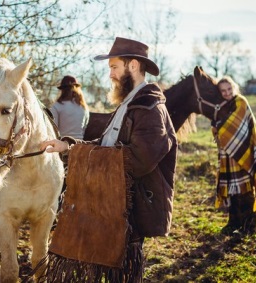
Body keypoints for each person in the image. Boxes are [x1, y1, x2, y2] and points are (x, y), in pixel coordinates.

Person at [40, 37, 177, 281]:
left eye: (114, 67)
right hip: (115, 205)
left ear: (133, 66)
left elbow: (139, 159)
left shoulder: (150, 108)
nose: (111, 75)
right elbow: (106, 146)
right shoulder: (129, 104)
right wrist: (68, 146)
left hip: (133, 209)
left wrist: (88, 158)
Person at [212, 76, 256, 235]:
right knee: (233, 189)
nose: (227, 93)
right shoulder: (223, 105)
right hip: (229, 155)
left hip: (244, 152)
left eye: (229, 89)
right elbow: (216, 124)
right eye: (223, 91)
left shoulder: (241, 102)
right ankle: (233, 223)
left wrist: (218, 129)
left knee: (246, 190)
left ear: (234, 87)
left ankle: (250, 227)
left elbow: (231, 127)